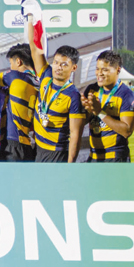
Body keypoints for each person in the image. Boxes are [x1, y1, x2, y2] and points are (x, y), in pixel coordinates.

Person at [27, 21, 85, 163]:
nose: (58, 67)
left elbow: (75, 133)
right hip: (37, 147)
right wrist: (30, 17)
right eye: (56, 62)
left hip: (56, 154)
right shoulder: (46, 74)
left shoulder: (73, 96)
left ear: (74, 67)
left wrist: (70, 164)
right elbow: (34, 48)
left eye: (64, 64)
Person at [0, 43, 38, 162]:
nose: (10, 68)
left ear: (19, 62)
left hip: (12, 144)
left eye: (11, 64)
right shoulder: (38, 82)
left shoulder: (16, 76)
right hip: (27, 144)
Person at [80, 50, 134, 162]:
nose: (99, 73)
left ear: (118, 70)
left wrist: (100, 112)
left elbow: (126, 131)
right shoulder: (92, 89)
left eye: (105, 70)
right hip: (94, 156)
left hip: (116, 157)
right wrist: (87, 111)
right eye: (97, 69)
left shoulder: (127, 95)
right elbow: (85, 120)